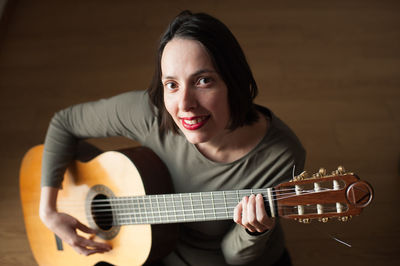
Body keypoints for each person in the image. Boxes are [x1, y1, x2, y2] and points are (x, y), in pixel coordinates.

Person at [39, 10, 305, 266]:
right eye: (172, 85)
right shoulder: (151, 113)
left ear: (232, 81)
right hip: (146, 248)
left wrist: (254, 231)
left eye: (203, 81)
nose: (185, 104)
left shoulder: (281, 154)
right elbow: (64, 123)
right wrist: (48, 211)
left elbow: (233, 257)